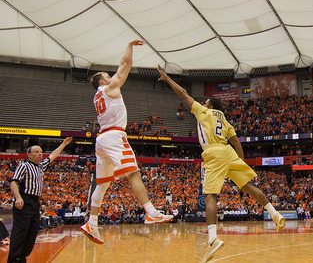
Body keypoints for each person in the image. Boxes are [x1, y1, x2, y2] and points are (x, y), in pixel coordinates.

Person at [157, 65, 285, 263]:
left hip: (214, 153)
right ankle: (275, 214)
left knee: (209, 195)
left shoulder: (204, 112)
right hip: (228, 152)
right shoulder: (225, 120)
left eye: (205, 101)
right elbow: (236, 142)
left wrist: (167, 78)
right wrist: (240, 161)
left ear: (209, 105)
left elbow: (183, 94)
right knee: (249, 186)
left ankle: (213, 238)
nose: (203, 102)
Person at [81, 40, 173, 245]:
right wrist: (130, 46)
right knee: (133, 172)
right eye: (107, 75)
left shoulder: (96, 97)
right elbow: (125, 64)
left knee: (102, 185)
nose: (110, 76)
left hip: (101, 139)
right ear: (102, 82)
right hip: (114, 136)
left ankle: (91, 223)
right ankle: (150, 211)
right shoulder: (108, 89)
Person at [8, 137, 72, 263]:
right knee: (21, 231)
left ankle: (22, 257)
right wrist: (18, 198)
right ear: (29, 154)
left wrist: (64, 144)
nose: (40, 154)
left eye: (41, 152)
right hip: (24, 200)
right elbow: (13, 183)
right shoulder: (24, 166)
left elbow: (53, 155)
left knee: (32, 231)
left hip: (35, 202)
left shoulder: (41, 166)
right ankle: (13, 259)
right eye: (37, 152)